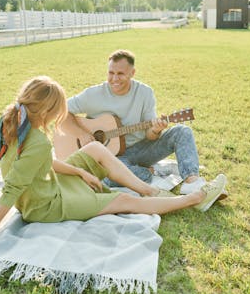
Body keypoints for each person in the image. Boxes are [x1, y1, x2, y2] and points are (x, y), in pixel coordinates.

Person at [0, 76, 227, 250]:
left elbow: (42, 165)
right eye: (59, 110)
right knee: (122, 202)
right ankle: (195, 199)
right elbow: (10, 190)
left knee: (95, 147)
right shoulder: (37, 142)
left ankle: (149, 190)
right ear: (47, 111)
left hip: (50, 187)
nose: (62, 115)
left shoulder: (12, 120)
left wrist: (81, 172)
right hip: (47, 206)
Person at [58, 49, 226, 196]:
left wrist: (155, 130)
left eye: (121, 74)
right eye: (111, 73)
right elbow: (62, 110)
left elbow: (150, 136)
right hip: (110, 158)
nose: (114, 78)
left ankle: (192, 182)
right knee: (107, 178)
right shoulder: (94, 94)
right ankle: (151, 172)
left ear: (132, 73)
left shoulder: (144, 93)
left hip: (141, 149)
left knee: (182, 131)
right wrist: (81, 133)